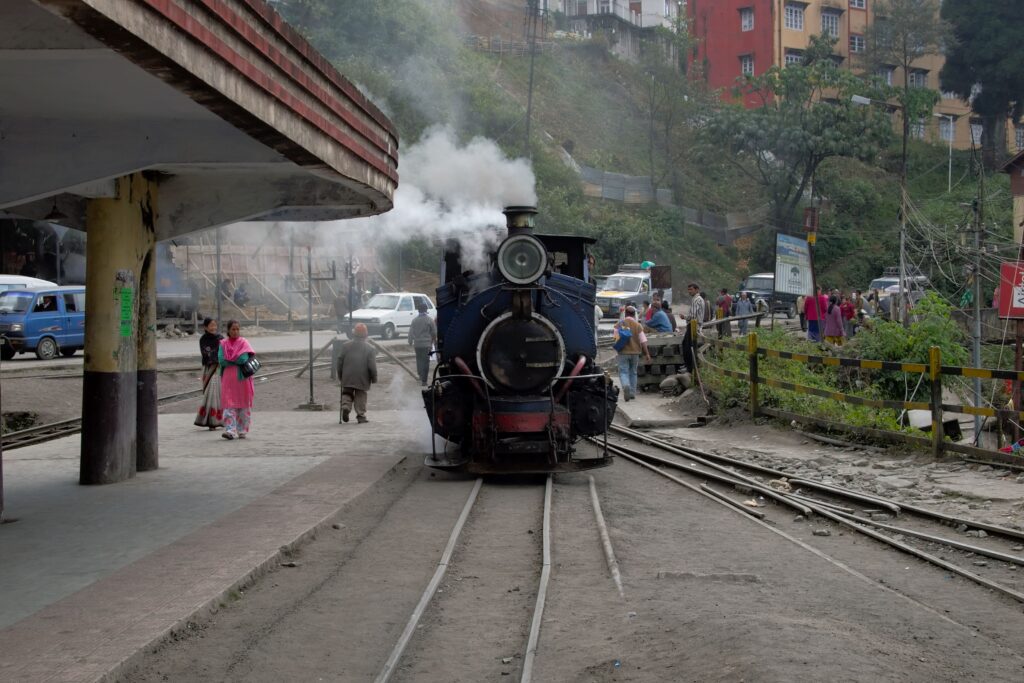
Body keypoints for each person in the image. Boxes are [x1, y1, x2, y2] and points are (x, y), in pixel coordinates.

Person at [218, 320, 256, 440]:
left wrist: (230, 359)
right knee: (229, 405)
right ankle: (230, 431)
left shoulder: (244, 342)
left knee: (243, 406)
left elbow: (243, 359)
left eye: (237, 329)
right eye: (233, 329)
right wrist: (235, 358)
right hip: (229, 379)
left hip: (242, 379)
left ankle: (242, 430)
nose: (235, 332)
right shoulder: (223, 344)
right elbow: (221, 360)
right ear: (228, 330)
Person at [337, 322, 378, 423]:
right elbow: (372, 365)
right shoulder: (370, 349)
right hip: (362, 377)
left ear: (353, 334)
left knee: (347, 392)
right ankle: (360, 415)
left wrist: (340, 374)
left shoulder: (345, 346)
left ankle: (346, 406)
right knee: (361, 395)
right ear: (365, 335)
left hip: (347, 375)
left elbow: (339, 361)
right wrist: (374, 377)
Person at [613, 305, 650, 402]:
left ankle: (626, 385)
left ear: (625, 313)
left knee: (624, 371)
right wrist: (647, 354)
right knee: (633, 372)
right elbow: (643, 341)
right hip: (635, 353)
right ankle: (632, 393)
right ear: (634, 314)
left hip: (623, 352)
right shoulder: (638, 325)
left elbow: (616, 339)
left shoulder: (619, 324)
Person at [194, 317, 224, 430]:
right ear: (205, 327)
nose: (213, 327)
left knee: (216, 393)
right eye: (211, 325)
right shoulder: (203, 339)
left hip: (218, 369)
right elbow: (205, 354)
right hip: (208, 369)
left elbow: (224, 352)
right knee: (208, 393)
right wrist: (214, 357)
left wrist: (217, 359)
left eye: (215, 325)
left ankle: (216, 421)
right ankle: (209, 420)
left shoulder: (221, 338)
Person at [408, 301, 437, 387]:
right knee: (426, 362)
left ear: (418, 310)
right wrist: (433, 343)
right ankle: (424, 381)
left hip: (417, 345)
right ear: (426, 310)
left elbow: (410, 332)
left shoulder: (414, 320)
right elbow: (434, 333)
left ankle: (420, 375)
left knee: (419, 360)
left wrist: (410, 341)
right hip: (426, 345)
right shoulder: (429, 320)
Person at [680, 283, 705, 373]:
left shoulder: (696, 300)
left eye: (691, 289)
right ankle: (688, 366)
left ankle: (689, 367)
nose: (689, 291)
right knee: (688, 345)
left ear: (697, 290)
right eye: (689, 290)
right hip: (695, 324)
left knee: (687, 346)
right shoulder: (698, 299)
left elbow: (693, 315)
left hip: (693, 325)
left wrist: (685, 317)